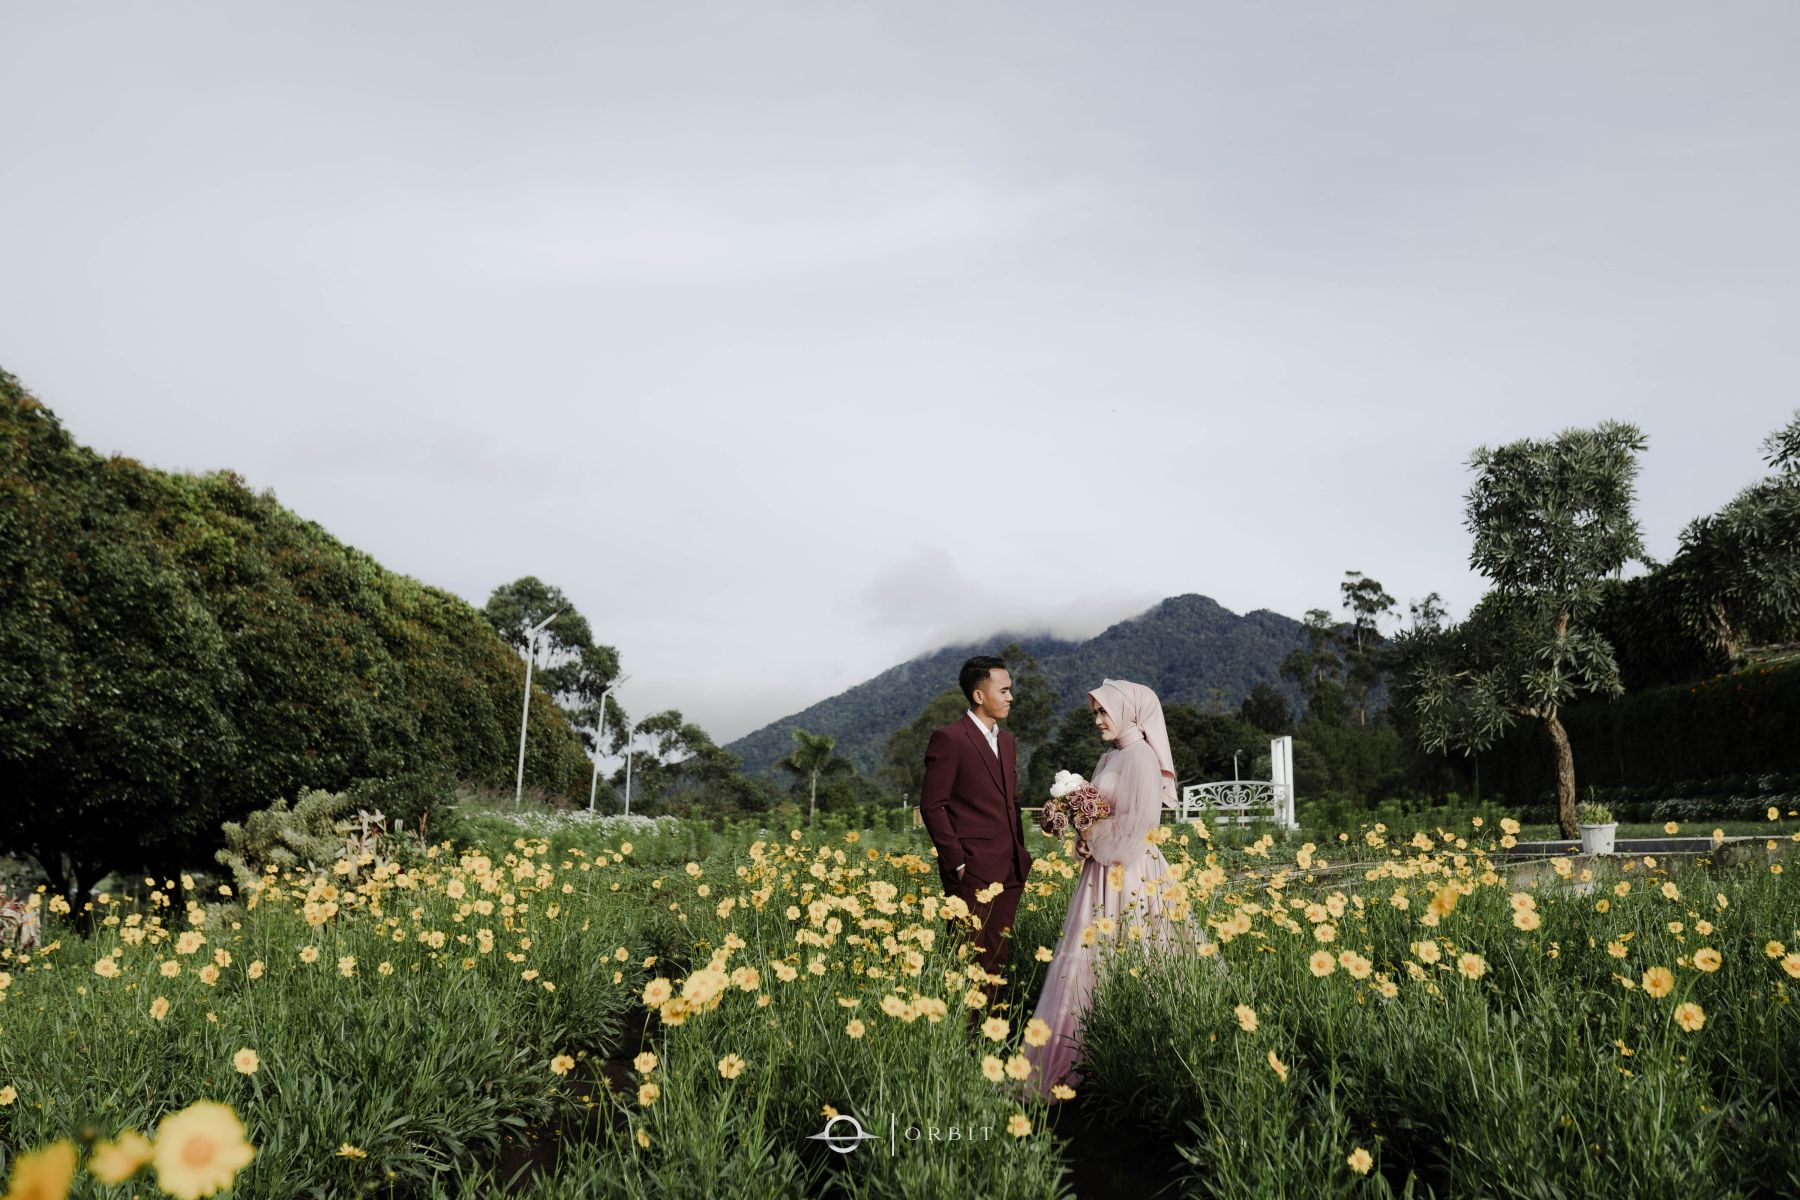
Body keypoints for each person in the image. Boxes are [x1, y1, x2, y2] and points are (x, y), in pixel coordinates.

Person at [1022, 678, 1214, 1098]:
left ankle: (1136, 1056)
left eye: (1104, 711)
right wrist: (1080, 833)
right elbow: (1101, 814)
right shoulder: (1109, 757)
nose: (1097, 720)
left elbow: (1140, 825)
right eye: (1095, 712)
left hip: (1130, 871)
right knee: (1089, 958)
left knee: (1132, 951)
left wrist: (1093, 836)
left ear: (1128, 712)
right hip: (1100, 869)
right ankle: (1089, 1055)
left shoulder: (1142, 756)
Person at [918, 655, 1033, 984]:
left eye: (1010, 690)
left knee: (997, 956)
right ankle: (961, 1019)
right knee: (966, 955)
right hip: (971, 870)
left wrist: (1020, 852)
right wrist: (957, 863)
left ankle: (992, 1018)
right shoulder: (950, 738)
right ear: (979, 695)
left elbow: (1011, 800)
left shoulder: (1007, 741)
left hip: (1011, 868)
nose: (1011, 697)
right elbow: (932, 806)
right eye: (1004, 690)